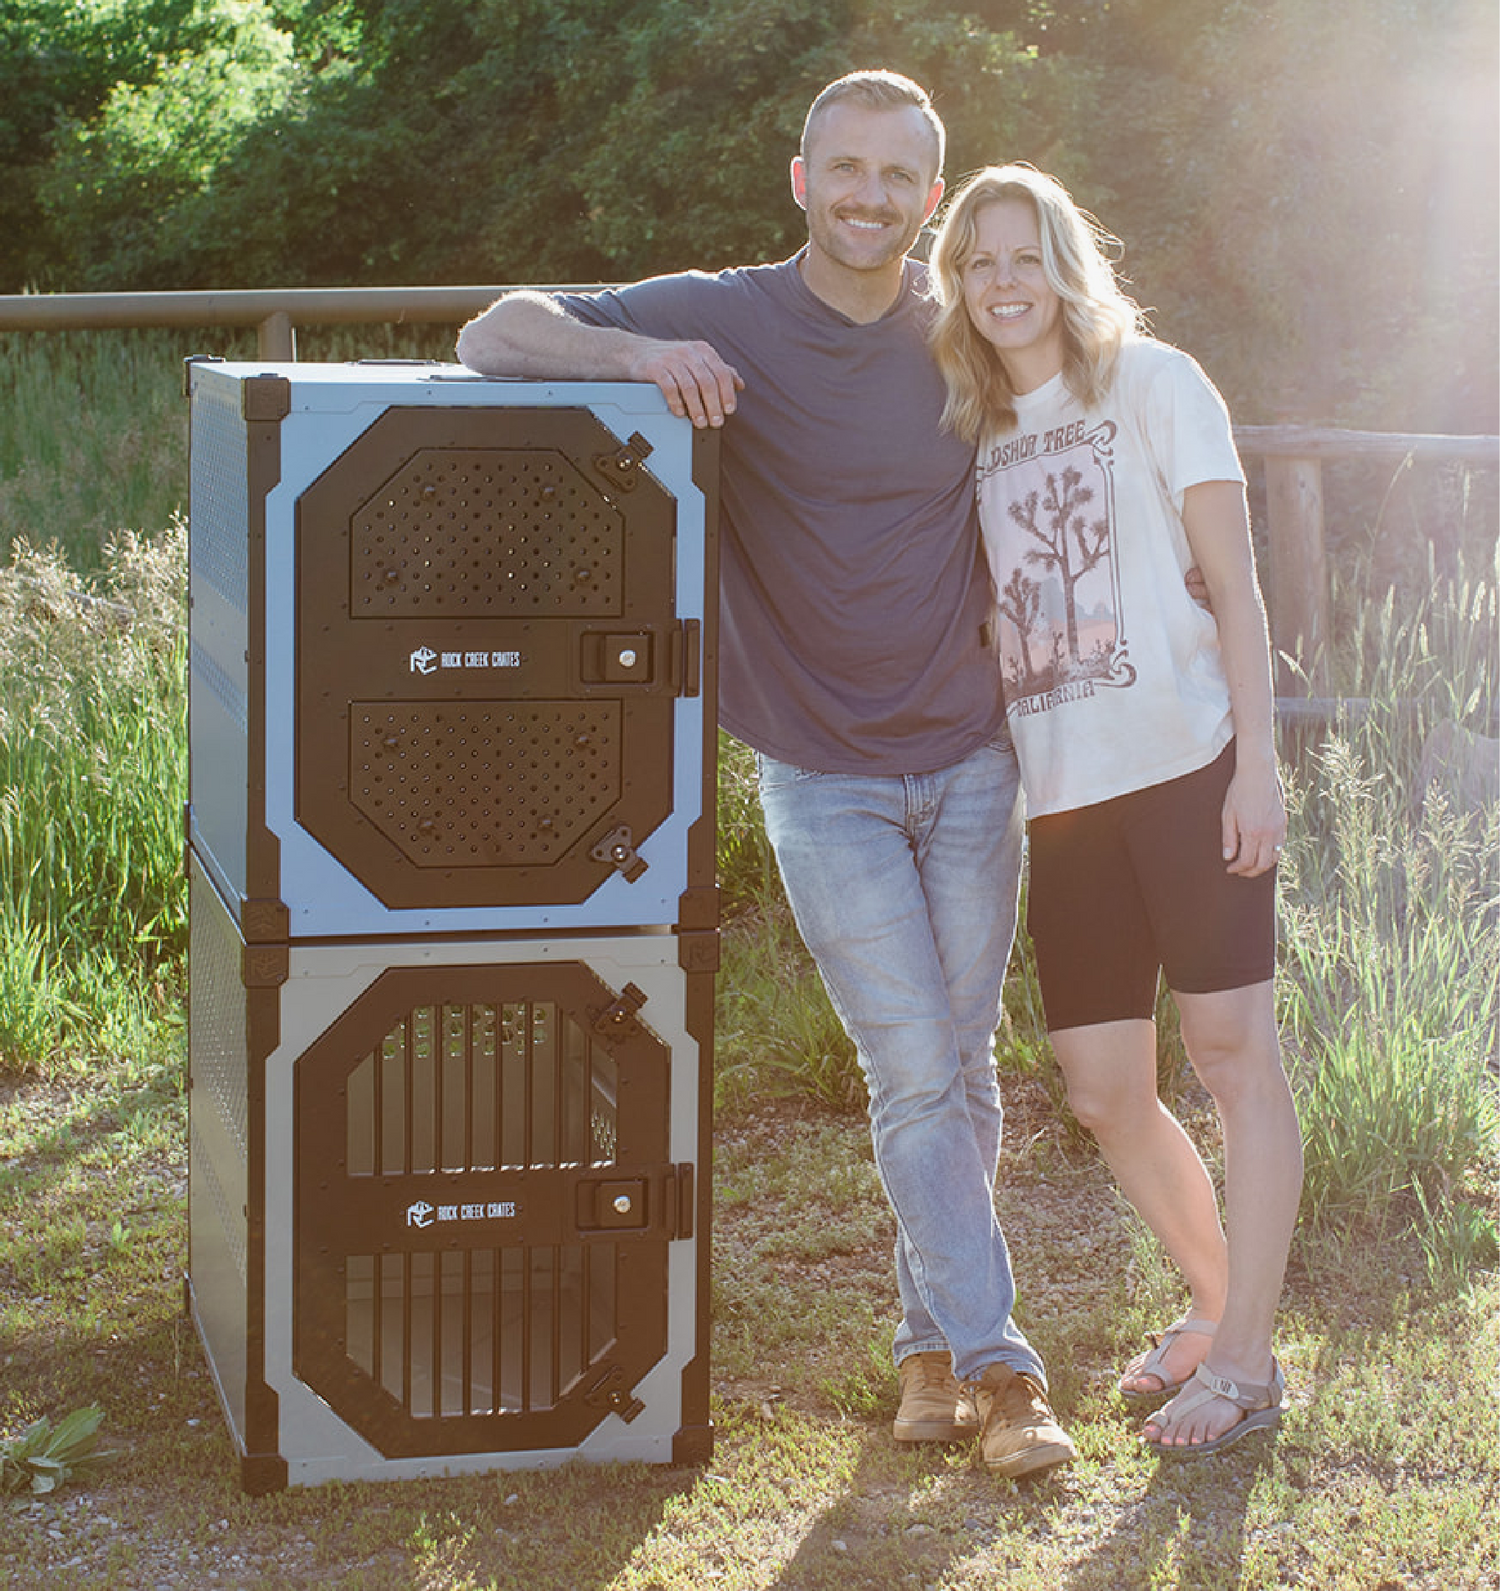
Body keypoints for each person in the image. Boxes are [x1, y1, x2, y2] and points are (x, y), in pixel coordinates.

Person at [456, 72, 1076, 1479]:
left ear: (932, 194)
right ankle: (1006, 1370)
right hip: (822, 773)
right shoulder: (728, 310)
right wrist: (637, 360)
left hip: (975, 760)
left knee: (957, 1069)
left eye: (896, 177)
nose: (867, 196)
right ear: (803, 179)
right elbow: (492, 329)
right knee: (916, 1063)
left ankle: (925, 1351)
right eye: (842, 169)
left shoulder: (963, 323)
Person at [928, 164, 1303, 1457]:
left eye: (1024, 255)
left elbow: (1238, 594)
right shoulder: (975, 431)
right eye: (979, 262)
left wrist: (1259, 760)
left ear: (1066, 263)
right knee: (1100, 1087)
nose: (1004, 282)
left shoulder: (1154, 382)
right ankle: (1218, 1307)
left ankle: (1247, 1363)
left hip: (1192, 767)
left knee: (1231, 1056)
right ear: (958, 286)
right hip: (1068, 807)